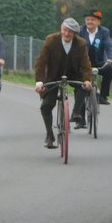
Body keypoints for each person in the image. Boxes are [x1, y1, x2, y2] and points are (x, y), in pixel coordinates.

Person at [33, 18, 92, 148]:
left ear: (75, 34)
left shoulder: (81, 44)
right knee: (46, 106)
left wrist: (87, 80)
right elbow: (41, 62)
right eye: (65, 30)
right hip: (53, 76)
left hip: (73, 74)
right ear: (61, 29)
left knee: (85, 86)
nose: (67, 34)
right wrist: (39, 81)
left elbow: (86, 65)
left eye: (70, 32)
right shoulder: (51, 40)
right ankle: (49, 135)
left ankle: (76, 112)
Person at [78, 8, 112, 107]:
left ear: (98, 22)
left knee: (109, 69)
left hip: (99, 62)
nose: (90, 22)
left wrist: (111, 58)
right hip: (83, 63)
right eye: (88, 19)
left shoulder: (104, 32)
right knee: (80, 86)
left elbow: (108, 45)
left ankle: (103, 96)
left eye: (93, 19)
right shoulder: (80, 31)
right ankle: (80, 114)